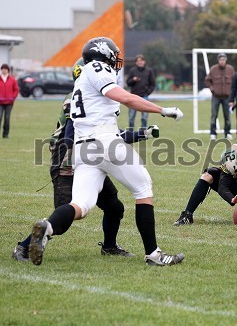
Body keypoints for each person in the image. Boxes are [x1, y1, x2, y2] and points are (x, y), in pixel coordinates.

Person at [26, 37, 185, 267]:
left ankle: (47, 227)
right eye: (114, 54)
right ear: (104, 54)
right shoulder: (97, 68)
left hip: (83, 149)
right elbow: (126, 98)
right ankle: (154, 254)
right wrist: (163, 110)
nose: (116, 59)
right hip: (105, 142)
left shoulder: (81, 79)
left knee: (81, 204)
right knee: (143, 188)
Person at [12, 59, 161, 261]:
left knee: (114, 207)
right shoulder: (79, 98)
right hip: (69, 159)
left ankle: (109, 246)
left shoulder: (89, 96)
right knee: (69, 212)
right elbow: (72, 136)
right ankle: (23, 247)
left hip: (88, 156)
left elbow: (110, 134)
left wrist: (142, 134)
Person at [205, 53, 234, 140]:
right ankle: (213, 133)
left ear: (226, 60)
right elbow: (207, 80)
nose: (222, 61)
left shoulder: (230, 69)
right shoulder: (213, 69)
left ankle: (228, 133)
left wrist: (232, 92)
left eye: (223, 60)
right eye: (220, 60)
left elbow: (234, 81)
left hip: (227, 97)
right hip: (216, 96)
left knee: (227, 116)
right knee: (214, 115)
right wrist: (212, 88)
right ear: (218, 60)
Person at [126, 54, 156, 129]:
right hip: (133, 97)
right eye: (138, 61)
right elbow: (128, 83)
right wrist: (133, 80)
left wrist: (148, 92)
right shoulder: (132, 71)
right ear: (136, 62)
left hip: (144, 97)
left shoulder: (149, 71)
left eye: (141, 60)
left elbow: (153, 84)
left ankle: (143, 133)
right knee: (131, 118)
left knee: (144, 118)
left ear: (144, 61)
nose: (140, 62)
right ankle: (131, 133)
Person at [0, 63, 19, 138]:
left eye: (5, 69)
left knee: (7, 118)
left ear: (8, 70)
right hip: (0, 103)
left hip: (9, 103)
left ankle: (5, 134)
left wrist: (13, 97)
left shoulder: (12, 79)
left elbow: (16, 89)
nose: (4, 70)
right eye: (2, 69)